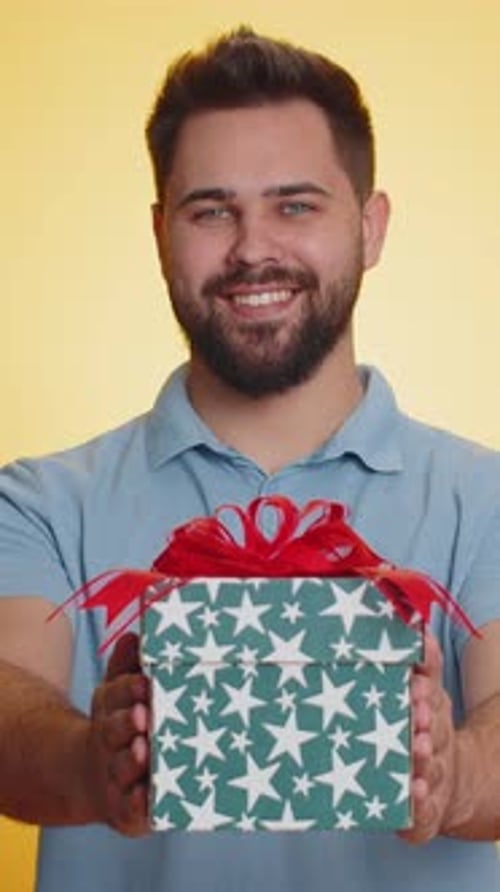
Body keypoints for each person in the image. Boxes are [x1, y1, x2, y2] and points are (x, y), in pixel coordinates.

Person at [0, 26, 499, 892]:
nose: (252, 248)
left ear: (371, 227)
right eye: (211, 209)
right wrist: (91, 761)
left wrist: (456, 774)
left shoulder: (486, 499)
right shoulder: (44, 500)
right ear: (162, 233)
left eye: (295, 205)